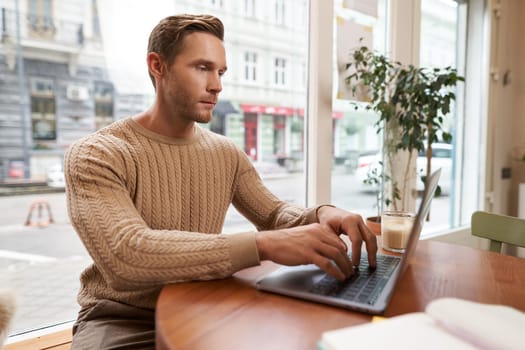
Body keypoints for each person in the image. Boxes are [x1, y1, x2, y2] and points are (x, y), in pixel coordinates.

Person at [64, 14, 377, 349]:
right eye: (202, 68)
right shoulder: (97, 153)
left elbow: (273, 214)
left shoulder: (224, 151)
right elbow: (126, 254)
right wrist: (264, 245)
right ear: (158, 65)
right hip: (122, 318)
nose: (217, 85)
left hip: (203, 303)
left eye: (221, 72)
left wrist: (322, 214)